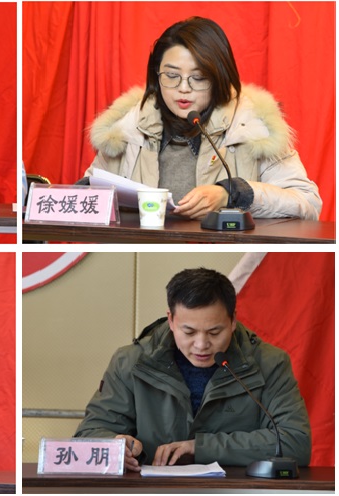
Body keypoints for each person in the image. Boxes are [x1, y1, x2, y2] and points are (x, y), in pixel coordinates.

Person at [81, 17, 321, 221]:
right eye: (171, 75)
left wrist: (233, 193)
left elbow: (308, 203)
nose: (183, 88)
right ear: (156, 76)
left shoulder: (252, 126)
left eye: (198, 78)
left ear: (219, 78)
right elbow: (87, 196)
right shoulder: (128, 128)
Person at [74, 267, 311, 471]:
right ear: (171, 320)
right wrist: (115, 444)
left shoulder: (269, 363)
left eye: (214, 332)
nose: (201, 344)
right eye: (189, 332)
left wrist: (200, 448)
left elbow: (295, 443)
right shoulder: (130, 362)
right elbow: (89, 433)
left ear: (233, 321)